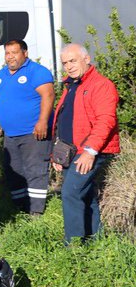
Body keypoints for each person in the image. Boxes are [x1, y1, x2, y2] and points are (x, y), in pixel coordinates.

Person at [51, 44, 119, 242]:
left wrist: (90, 151)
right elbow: (63, 119)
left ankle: (72, 245)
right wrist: (56, 154)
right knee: (86, 194)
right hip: (70, 151)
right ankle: (96, 239)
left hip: (89, 151)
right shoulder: (72, 85)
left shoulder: (101, 85)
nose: (69, 66)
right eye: (65, 63)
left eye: (73, 61)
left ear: (86, 59)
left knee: (70, 192)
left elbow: (106, 120)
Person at [0, 39, 55, 214]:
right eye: (7, 53)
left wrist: (42, 122)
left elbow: (48, 96)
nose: (10, 57)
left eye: (14, 53)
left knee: (35, 171)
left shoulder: (37, 72)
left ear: (25, 53)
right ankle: (20, 209)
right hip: (10, 134)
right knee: (14, 171)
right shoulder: (1, 75)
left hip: (33, 133)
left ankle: (36, 213)